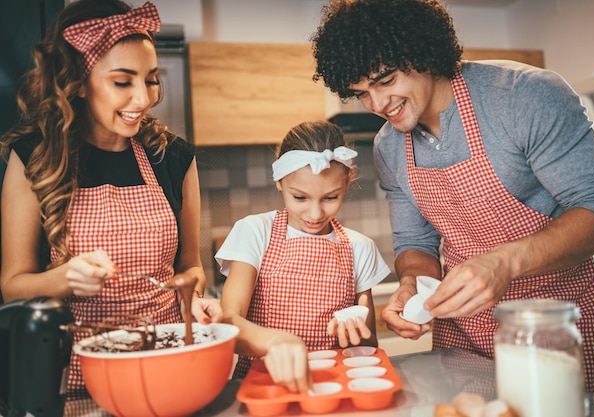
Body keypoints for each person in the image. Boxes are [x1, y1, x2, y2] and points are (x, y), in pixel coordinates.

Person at [310, 0, 594, 398]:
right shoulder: (388, 148)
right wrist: (412, 283)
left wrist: (505, 262)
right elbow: (415, 244)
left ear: (423, 53)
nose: (376, 105)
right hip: (459, 335)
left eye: (386, 80)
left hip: (545, 327)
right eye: (361, 93)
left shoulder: (523, 97)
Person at [0, 0, 222, 393]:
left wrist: (197, 299)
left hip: (169, 364)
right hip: (78, 377)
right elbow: (12, 285)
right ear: (79, 82)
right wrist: (65, 277)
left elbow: (192, 268)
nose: (144, 98)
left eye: (151, 79)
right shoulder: (35, 157)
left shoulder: (173, 157)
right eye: (123, 82)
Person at [216, 120, 390, 393]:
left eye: (330, 198)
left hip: (330, 385)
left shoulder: (360, 248)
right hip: (262, 384)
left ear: (347, 181)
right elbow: (228, 322)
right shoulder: (254, 232)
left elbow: (367, 346)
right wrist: (279, 341)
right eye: (300, 198)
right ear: (279, 182)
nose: (315, 213)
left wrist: (355, 337)